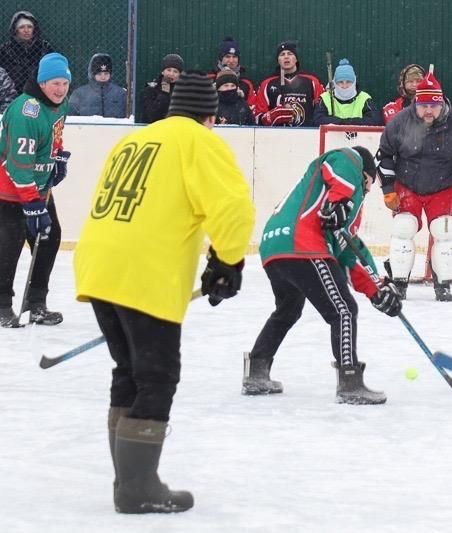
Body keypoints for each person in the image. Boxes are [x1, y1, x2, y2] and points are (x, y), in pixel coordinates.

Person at [73, 71, 256, 513]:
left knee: (128, 371)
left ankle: (127, 481)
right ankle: (137, 488)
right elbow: (232, 207)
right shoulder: (200, 141)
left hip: (98, 266)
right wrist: (227, 260)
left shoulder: (136, 140)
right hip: (144, 273)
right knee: (157, 376)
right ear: (209, 116)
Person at [243, 146, 401, 404]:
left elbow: (349, 251)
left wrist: (377, 288)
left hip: (274, 247)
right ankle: (350, 382)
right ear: (365, 174)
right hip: (303, 245)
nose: (366, 192)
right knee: (344, 310)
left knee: (288, 309)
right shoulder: (350, 160)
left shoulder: (328, 200)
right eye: (369, 184)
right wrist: (340, 200)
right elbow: (341, 164)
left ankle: (256, 371)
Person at [378, 72, 452, 302]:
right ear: (416, 103)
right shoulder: (400, 122)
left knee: (444, 232)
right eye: (424, 105)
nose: (429, 111)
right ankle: (399, 282)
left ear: (441, 103)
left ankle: (443, 285)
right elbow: (385, 156)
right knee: (403, 229)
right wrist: (388, 190)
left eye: (433, 106)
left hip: (443, 187)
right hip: (407, 185)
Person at [0, 53, 71, 328]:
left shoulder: (60, 104)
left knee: (49, 238)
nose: (60, 89)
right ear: (42, 83)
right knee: (10, 245)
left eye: (64, 83)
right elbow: (18, 164)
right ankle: (2, 305)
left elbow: (54, 134)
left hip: (38, 188)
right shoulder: (25, 111)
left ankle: (36, 303)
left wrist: (58, 156)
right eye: (55, 83)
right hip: (10, 191)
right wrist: (32, 203)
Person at [253, 41, 323, 127]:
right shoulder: (267, 84)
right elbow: (257, 117)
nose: (286, 57)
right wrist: (269, 117)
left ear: (296, 59)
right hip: (276, 136)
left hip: (306, 135)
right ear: (278, 60)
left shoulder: (312, 81)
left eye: (290, 54)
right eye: (282, 54)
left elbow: (321, 113)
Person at [313, 59, 382, 126]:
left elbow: (375, 120)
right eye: (340, 82)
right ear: (335, 83)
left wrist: (347, 123)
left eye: (348, 82)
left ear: (354, 82)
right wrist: (342, 123)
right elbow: (317, 120)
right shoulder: (325, 98)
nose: (344, 86)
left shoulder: (364, 98)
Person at [0, 11, 53, 94]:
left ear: (34, 29)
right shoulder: (5, 50)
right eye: (21, 27)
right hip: (13, 92)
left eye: (29, 27)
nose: (26, 30)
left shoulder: (44, 47)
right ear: (15, 30)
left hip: (40, 91)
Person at [68, 53, 127, 118]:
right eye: (99, 74)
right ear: (92, 74)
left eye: (106, 73)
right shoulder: (79, 94)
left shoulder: (121, 94)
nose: (103, 77)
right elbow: (70, 117)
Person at [210, 37, 256, 109]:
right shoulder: (209, 79)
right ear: (221, 58)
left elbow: (252, 108)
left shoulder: (246, 83)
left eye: (234, 57)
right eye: (227, 56)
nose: (231, 60)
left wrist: (242, 100)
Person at [140, 53, 184, 123]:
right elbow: (151, 116)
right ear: (163, 71)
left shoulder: (183, 91)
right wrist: (164, 93)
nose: (171, 74)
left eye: (175, 71)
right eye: (169, 70)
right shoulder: (150, 89)